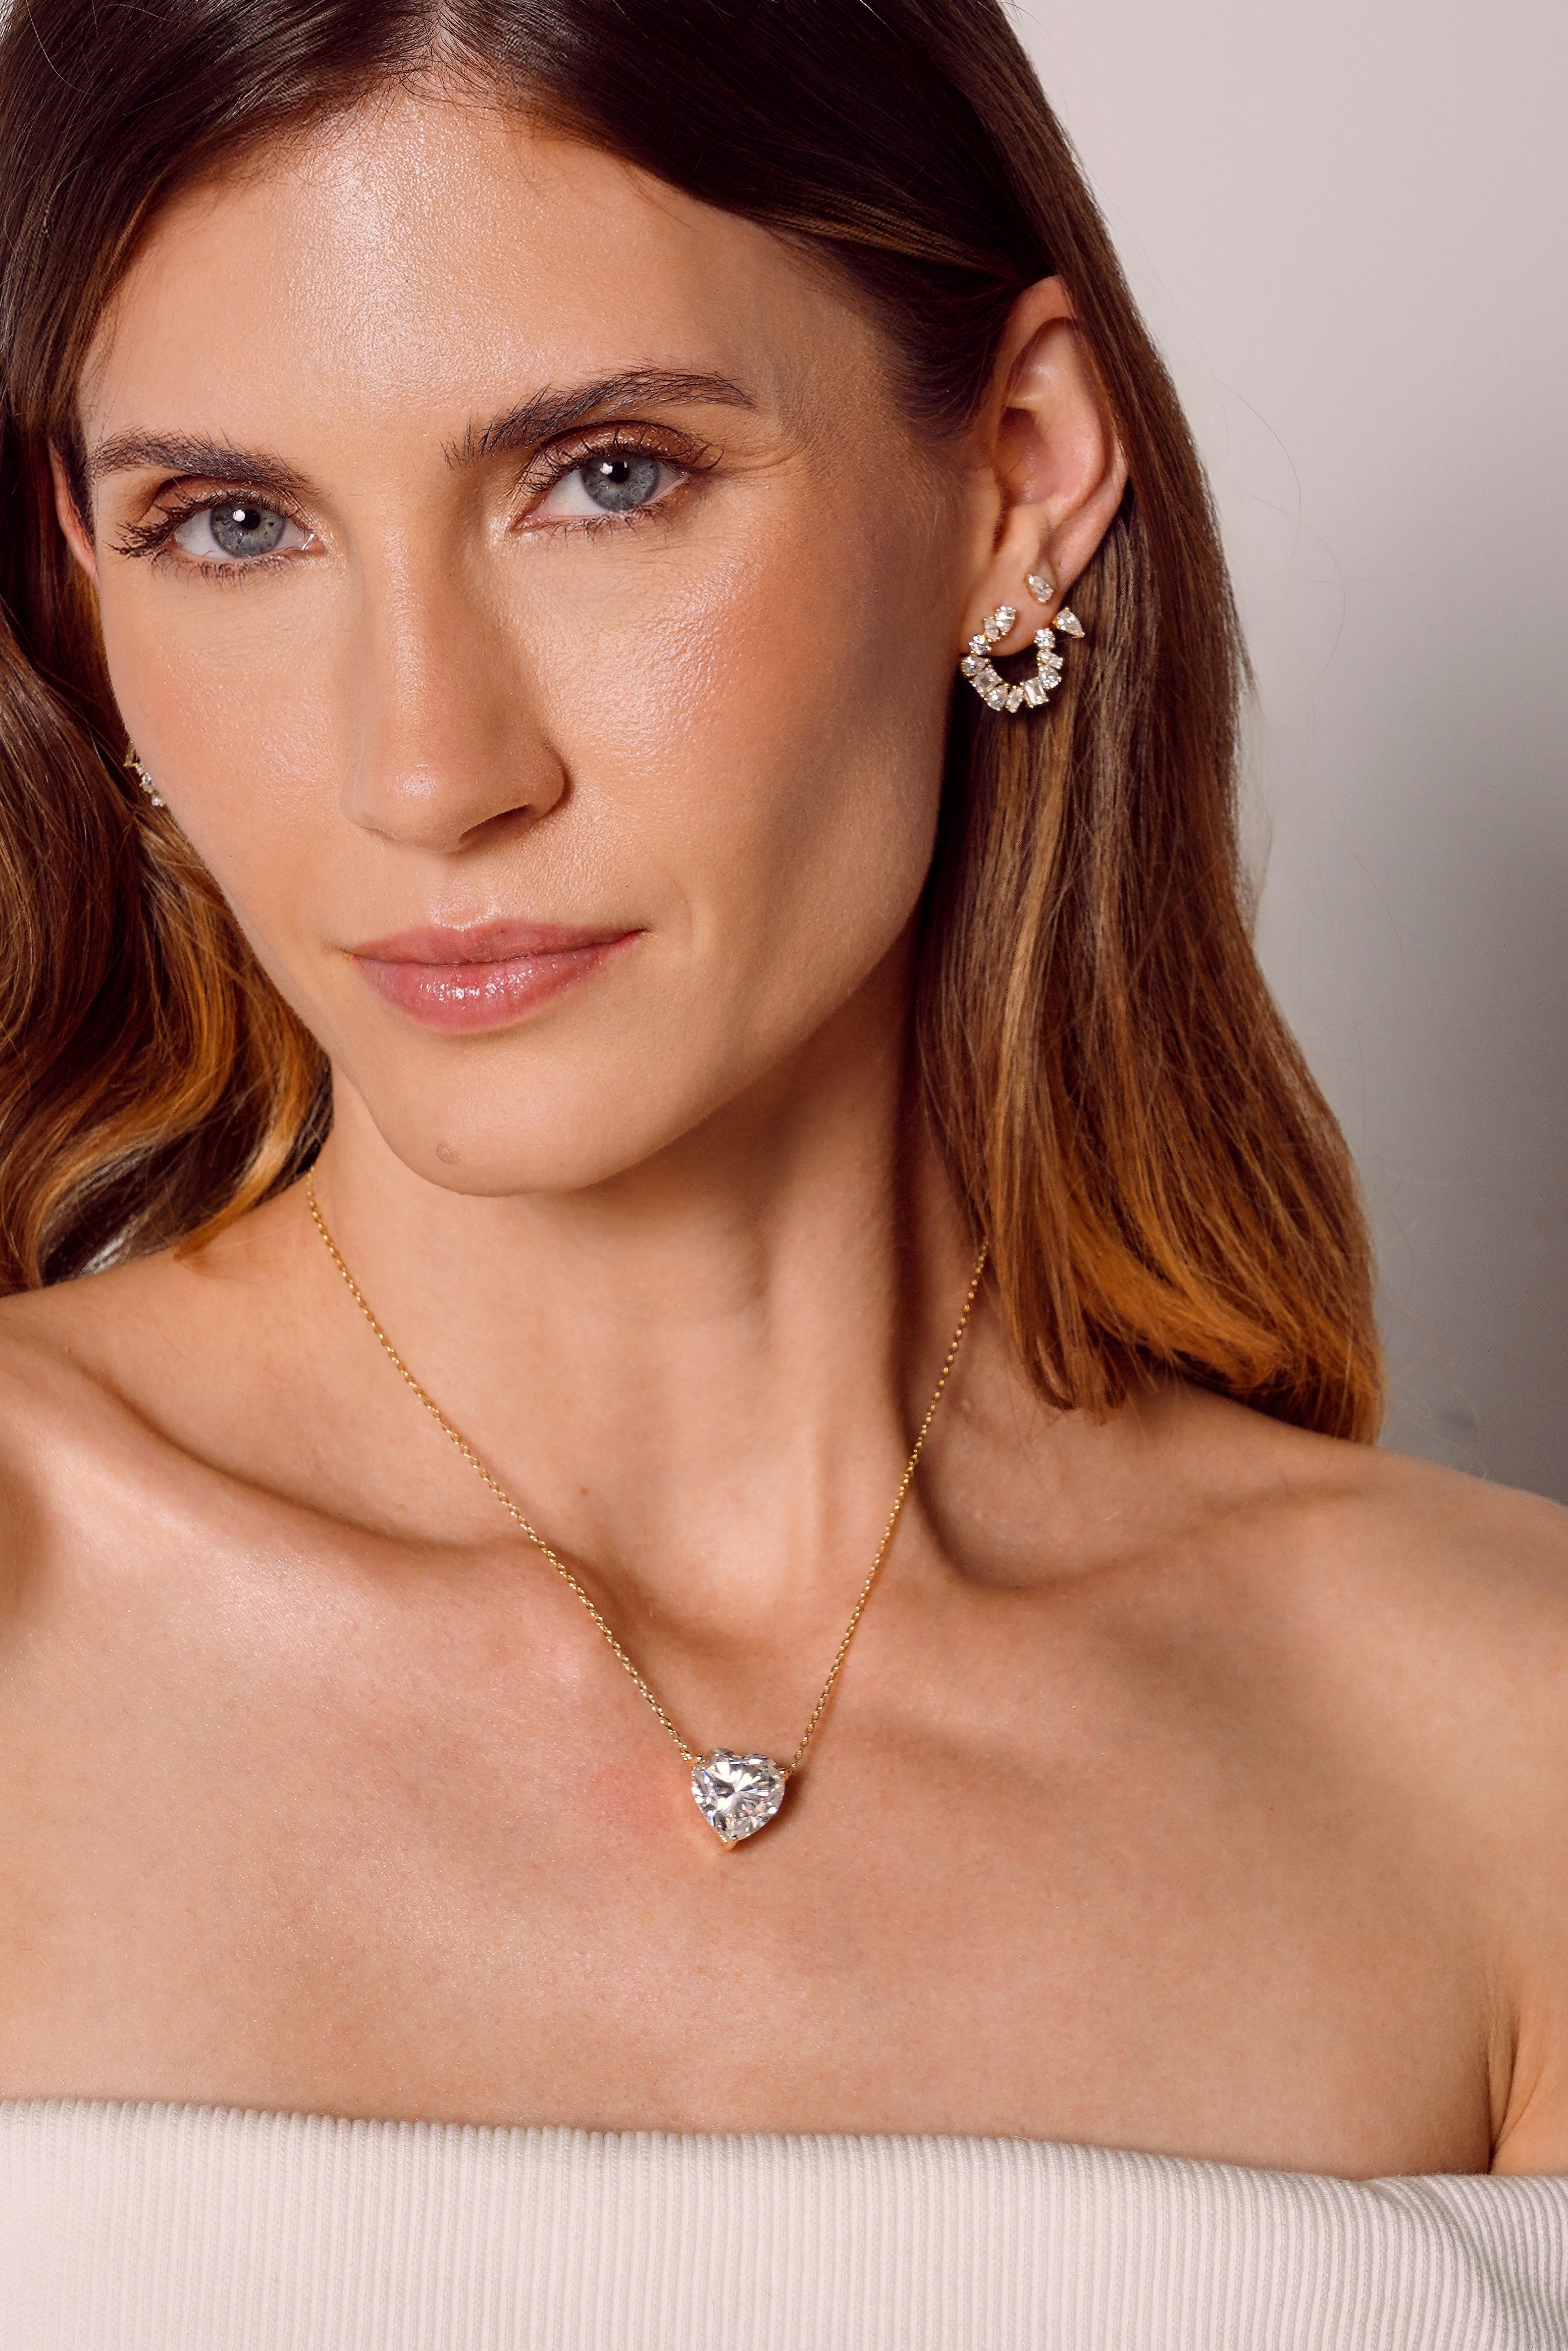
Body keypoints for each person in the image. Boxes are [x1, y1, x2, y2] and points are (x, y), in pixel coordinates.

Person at [0, 0, 1563, 2341]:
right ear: (86, 586)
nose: (427, 770)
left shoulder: (1509, 1753)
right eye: (234, 525)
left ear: (1017, 475)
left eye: (608, 477)